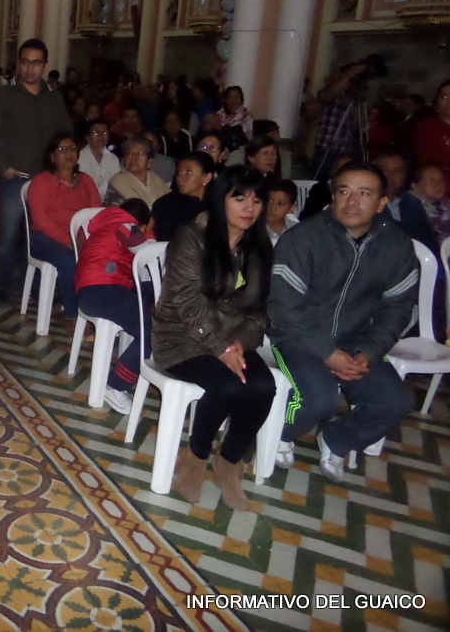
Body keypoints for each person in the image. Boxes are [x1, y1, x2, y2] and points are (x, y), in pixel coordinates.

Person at [270, 161, 417, 483]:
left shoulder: (396, 245)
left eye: (364, 193)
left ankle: (338, 440)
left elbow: (398, 308)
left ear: (381, 203)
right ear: (333, 196)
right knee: (318, 400)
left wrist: (370, 352)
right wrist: (327, 352)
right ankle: (278, 433)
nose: (352, 202)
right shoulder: (303, 239)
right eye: (344, 191)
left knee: (396, 401)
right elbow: (284, 308)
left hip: (356, 339)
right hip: (296, 338)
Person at [152, 166, 277, 511]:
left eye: (257, 200)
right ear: (221, 199)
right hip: (181, 335)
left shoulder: (259, 246)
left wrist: (239, 344)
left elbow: (260, 309)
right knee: (228, 387)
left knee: (263, 387)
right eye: (239, 198)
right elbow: (186, 301)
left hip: (232, 338)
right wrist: (220, 347)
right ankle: (195, 456)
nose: (249, 207)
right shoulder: (192, 236)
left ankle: (230, 462)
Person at [0, 38, 73, 305]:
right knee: (9, 235)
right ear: (18, 63)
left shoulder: (53, 97)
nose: (30, 68)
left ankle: (32, 286)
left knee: (38, 237)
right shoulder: (4, 96)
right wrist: (3, 167)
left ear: (44, 65)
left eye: (36, 62)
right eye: (25, 61)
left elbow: (64, 134)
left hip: (45, 181)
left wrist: (60, 168)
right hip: (15, 179)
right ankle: (1, 284)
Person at [74, 201, 154, 414]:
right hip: (103, 291)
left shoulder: (107, 225)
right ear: (142, 224)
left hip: (95, 291)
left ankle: (136, 358)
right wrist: (149, 234)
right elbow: (150, 256)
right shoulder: (127, 227)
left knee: (149, 293)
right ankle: (116, 385)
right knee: (154, 331)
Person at [26, 132, 102, 335]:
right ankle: (72, 314)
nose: (68, 153)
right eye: (62, 149)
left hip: (80, 236)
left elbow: (95, 214)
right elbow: (41, 218)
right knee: (69, 260)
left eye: (72, 148)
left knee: (101, 257)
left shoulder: (86, 181)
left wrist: (84, 240)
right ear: (52, 156)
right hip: (44, 237)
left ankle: (95, 311)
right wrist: (69, 241)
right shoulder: (42, 181)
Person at [375, 152, 438, 254]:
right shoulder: (367, 205)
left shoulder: (412, 203)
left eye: (397, 171)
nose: (390, 176)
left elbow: (429, 241)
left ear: (404, 176)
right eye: (383, 170)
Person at [151, 151, 214, 242]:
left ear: (206, 178)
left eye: (189, 172)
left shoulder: (218, 203)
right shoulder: (165, 205)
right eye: (179, 172)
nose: (180, 177)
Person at [105, 136, 171, 208]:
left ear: (149, 162)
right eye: (129, 153)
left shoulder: (157, 180)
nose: (133, 158)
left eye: (140, 154)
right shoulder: (118, 181)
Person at [414, 79, 450, 192]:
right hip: (437, 187)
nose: (449, 102)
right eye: (444, 97)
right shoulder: (427, 127)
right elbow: (425, 160)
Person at [78, 120, 122, 200]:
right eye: (96, 132)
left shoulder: (113, 159)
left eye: (104, 132)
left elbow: (117, 184)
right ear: (88, 137)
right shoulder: (79, 158)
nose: (101, 135)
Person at [407, 163, 450, 242]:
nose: (439, 184)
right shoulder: (409, 208)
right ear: (415, 186)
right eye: (432, 180)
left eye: (441, 179)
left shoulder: (446, 205)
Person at [265, 179, 298, 246]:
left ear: (291, 209)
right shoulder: (253, 229)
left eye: (280, 204)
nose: (272, 207)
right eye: (269, 201)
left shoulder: (297, 230)